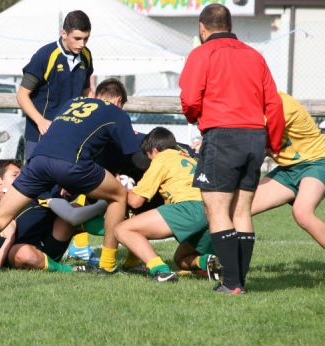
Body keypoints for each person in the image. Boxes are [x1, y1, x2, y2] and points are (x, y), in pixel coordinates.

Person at [0, 78, 141, 275]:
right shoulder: (116, 112)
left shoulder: (73, 102)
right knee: (118, 195)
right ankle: (107, 265)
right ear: (118, 101)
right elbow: (132, 154)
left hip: (38, 160)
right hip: (71, 162)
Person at [179, 4, 285, 294]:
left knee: (217, 209)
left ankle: (231, 283)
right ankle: (239, 281)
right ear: (229, 24)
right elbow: (274, 104)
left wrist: (193, 116)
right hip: (254, 137)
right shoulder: (254, 55)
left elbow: (189, 98)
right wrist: (273, 143)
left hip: (223, 135)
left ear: (203, 29)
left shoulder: (202, 53)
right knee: (242, 211)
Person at [17, 10, 96, 264]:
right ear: (64, 34)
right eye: (77, 38)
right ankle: (21, 241)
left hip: (70, 136)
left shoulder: (85, 56)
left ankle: (56, 250)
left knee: (70, 190)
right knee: (37, 191)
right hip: (40, 136)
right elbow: (22, 95)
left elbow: (86, 90)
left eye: (86, 38)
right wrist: (41, 122)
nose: (82, 44)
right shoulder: (45, 55)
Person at [113, 128, 220, 283]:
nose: (150, 161)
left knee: (122, 229)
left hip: (189, 208)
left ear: (154, 150)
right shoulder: (187, 156)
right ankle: (208, 261)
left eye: (149, 156)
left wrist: (119, 187)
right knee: (181, 259)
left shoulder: (161, 158)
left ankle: (161, 271)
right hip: (213, 212)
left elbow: (135, 201)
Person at [251, 92, 325, 247]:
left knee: (302, 213)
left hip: (317, 162)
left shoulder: (280, 104)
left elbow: (251, 142)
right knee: (241, 209)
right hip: (288, 169)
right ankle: (207, 261)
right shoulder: (249, 105)